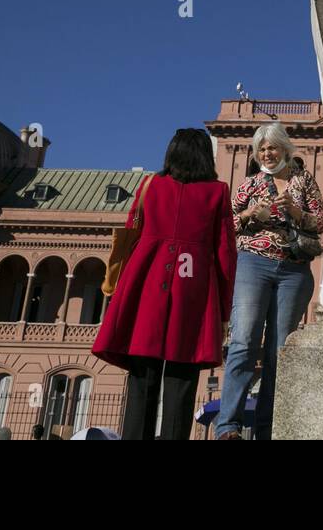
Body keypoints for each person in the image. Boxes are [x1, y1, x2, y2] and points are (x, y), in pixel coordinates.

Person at [93, 128, 236, 440]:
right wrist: (224, 311)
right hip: (194, 291)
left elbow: (131, 231)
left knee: (142, 379)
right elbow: (226, 255)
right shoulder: (217, 192)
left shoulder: (150, 185)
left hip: (145, 285)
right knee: (181, 383)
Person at [215, 122, 323, 440]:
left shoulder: (303, 181)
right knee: (244, 341)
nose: (266, 153)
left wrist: (295, 210)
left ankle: (267, 428)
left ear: (284, 149)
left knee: (279, 350)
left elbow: (320, 221)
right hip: (253, 264)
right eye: (261, 149)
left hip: (293, 270)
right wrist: (251, 215)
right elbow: (227, 224)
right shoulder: (250, 184)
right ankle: (229, 426)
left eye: (271, 147)